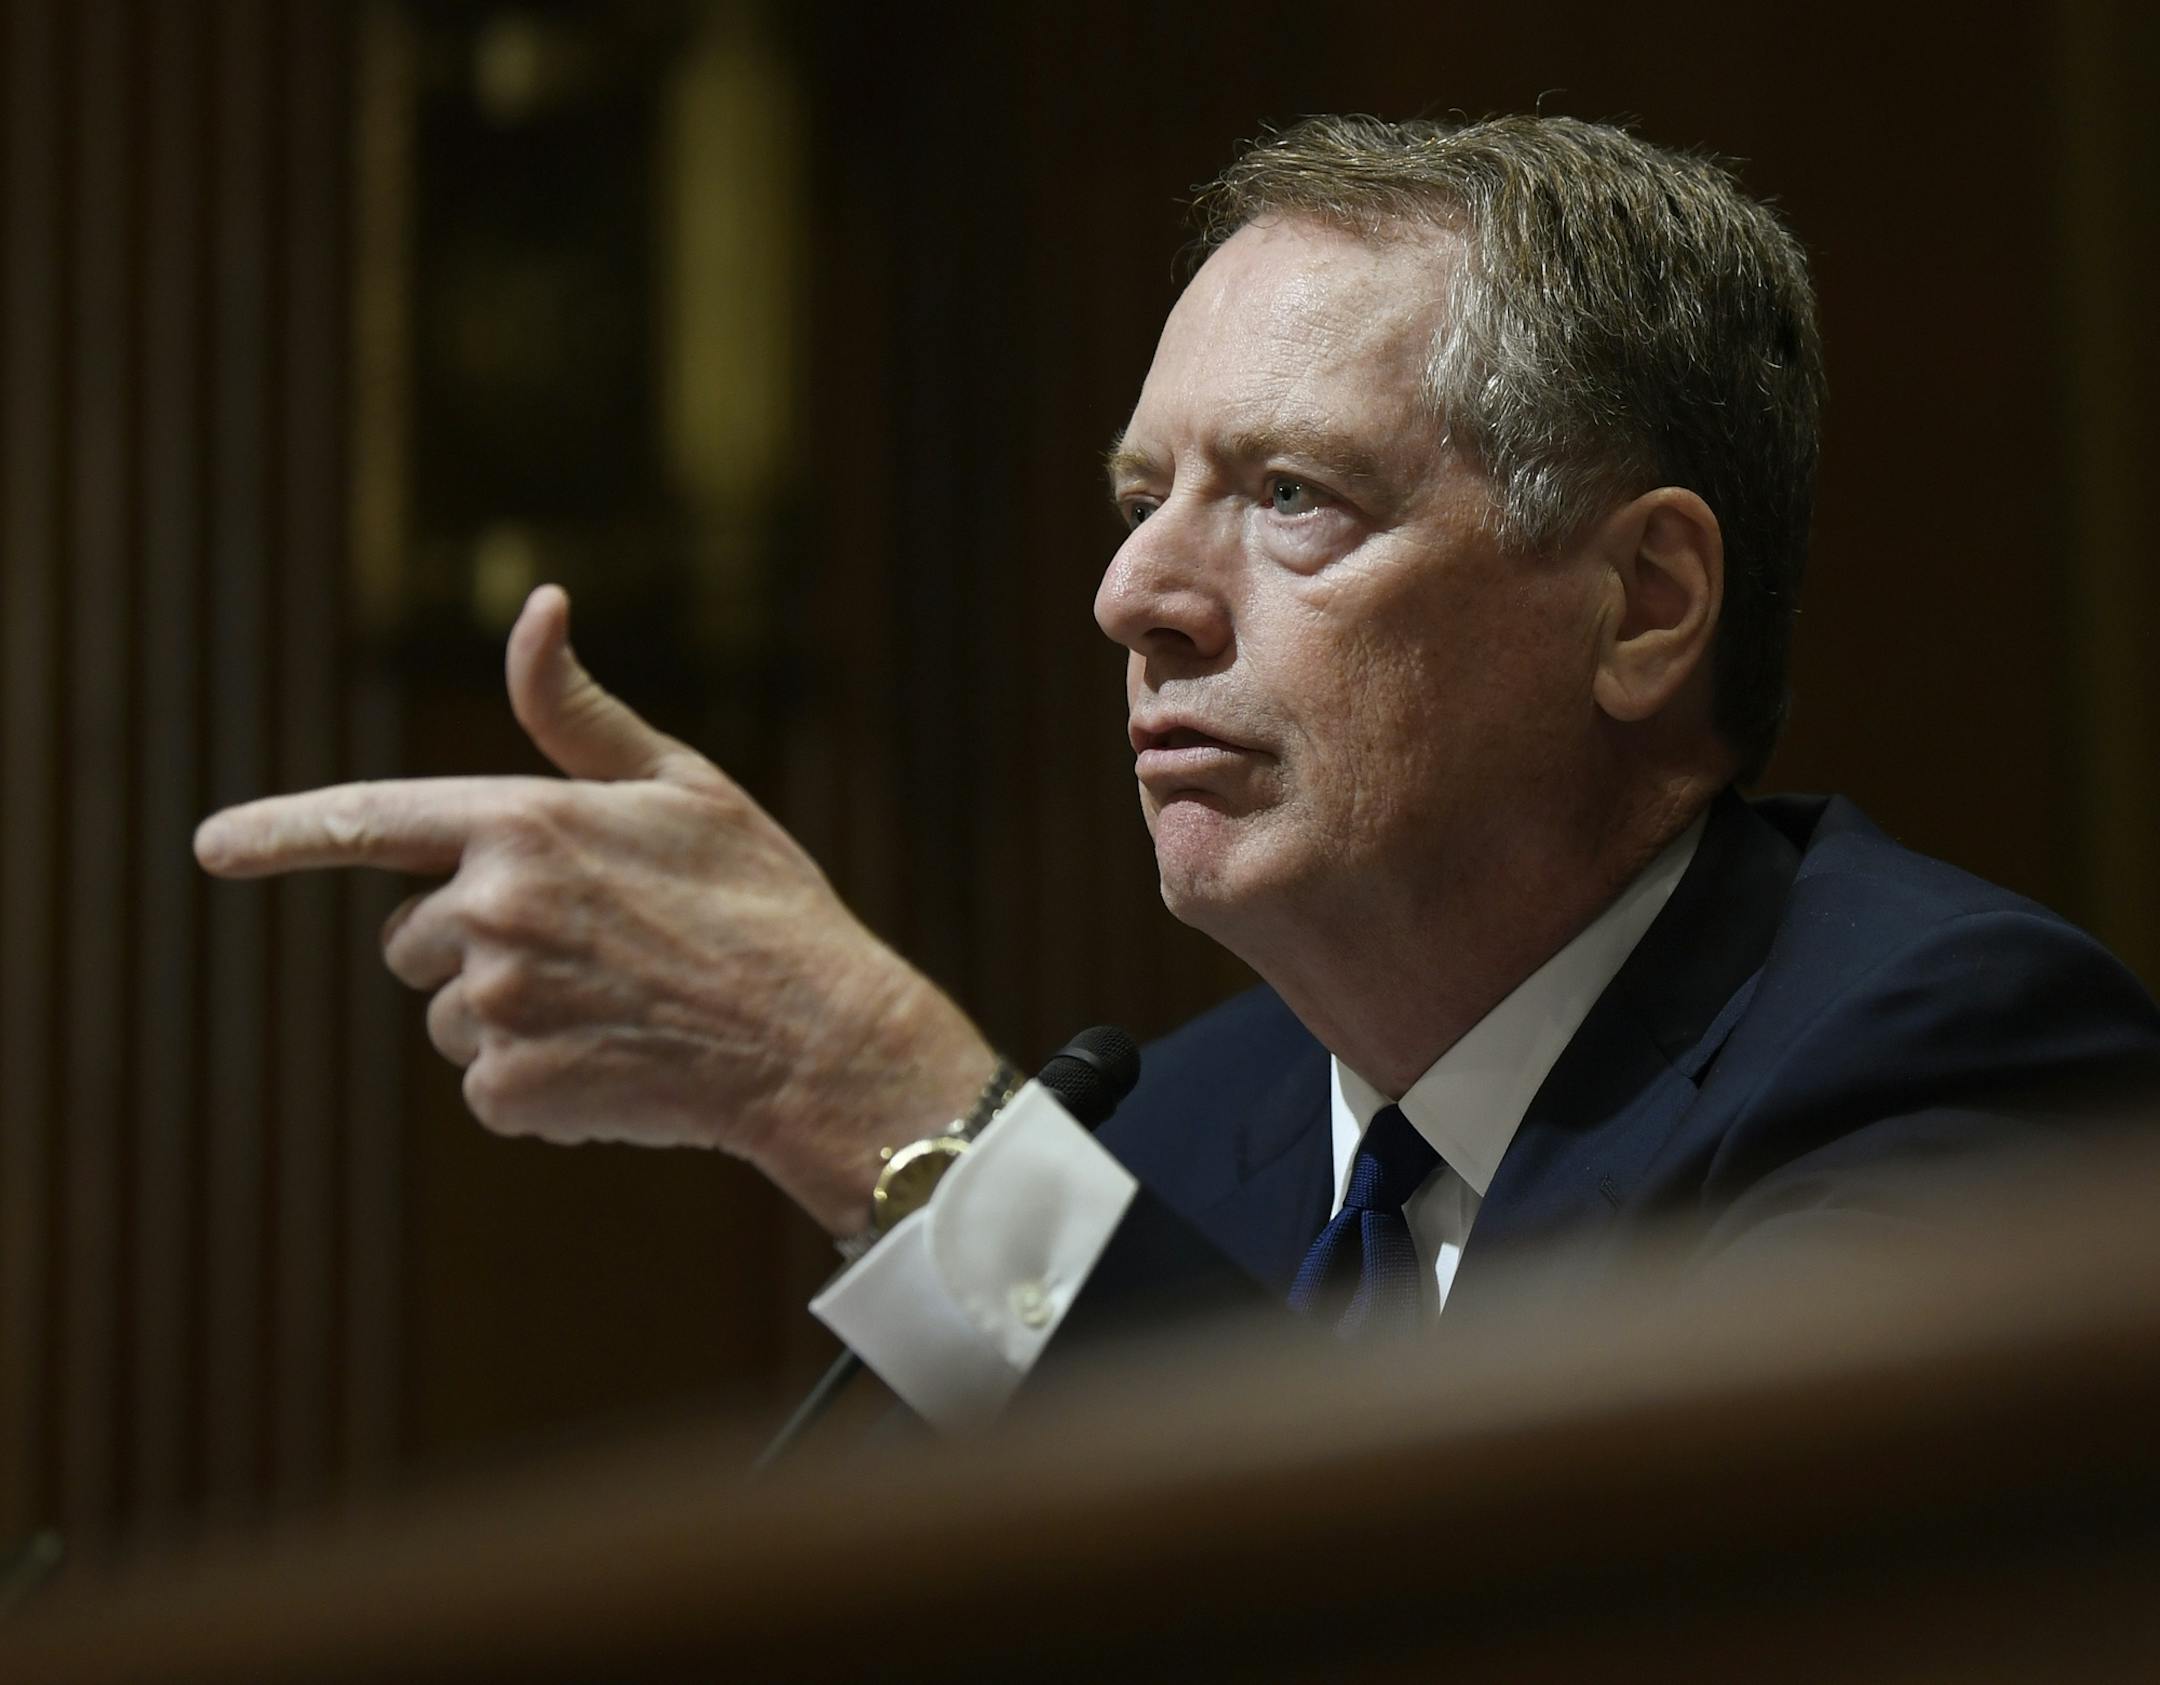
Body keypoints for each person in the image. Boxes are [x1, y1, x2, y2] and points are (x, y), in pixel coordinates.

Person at [194, 116, 2160, 1428]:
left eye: (1291, 497)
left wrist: (868, 1100)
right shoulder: (1151, 1139)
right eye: (1143, 502)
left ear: (1643, 603)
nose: (1137, 593)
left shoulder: (1950, 1069)